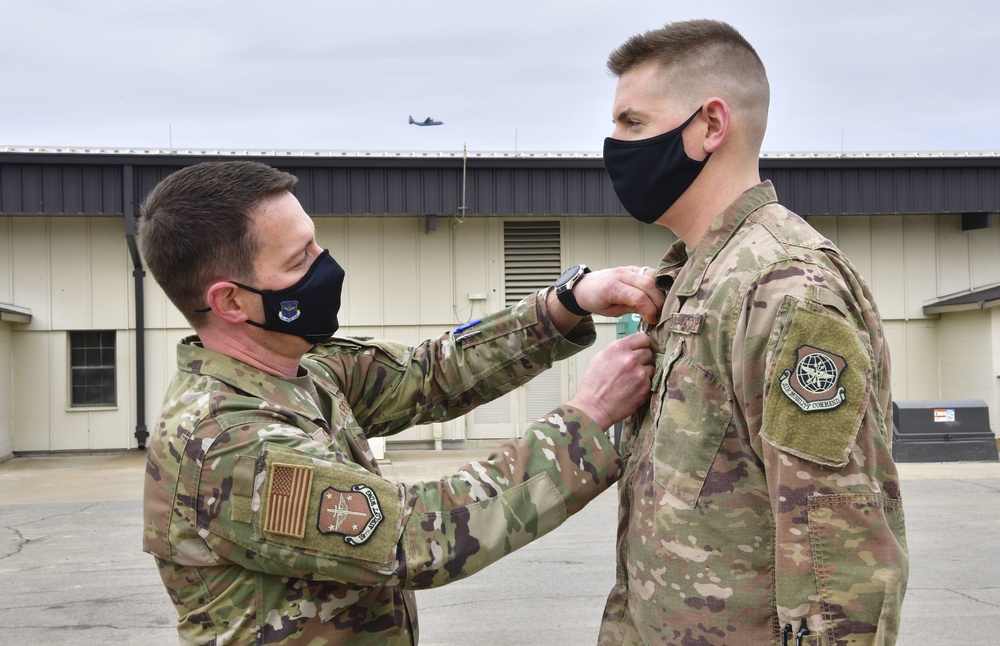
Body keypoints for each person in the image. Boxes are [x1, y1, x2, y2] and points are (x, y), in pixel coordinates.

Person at [139, 160, 663, 645]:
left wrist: (566, 304)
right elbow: (413, 535)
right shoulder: (226, 441)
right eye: (299, 260)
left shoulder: (303, 371)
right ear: (229, 301)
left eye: (315, 244)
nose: (325, 265)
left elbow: (428, 374)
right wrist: (587, 417)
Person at [597, 20, 908, 645]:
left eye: (632, 122)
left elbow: (835, 556)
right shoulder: (695, 276)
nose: (613, 144)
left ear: (711, 125)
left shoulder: (786, 286)